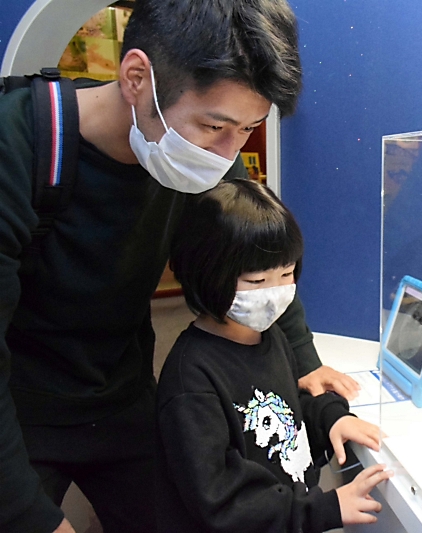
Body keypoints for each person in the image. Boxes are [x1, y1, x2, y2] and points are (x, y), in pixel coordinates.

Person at [0, 1, 357, 532]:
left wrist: (305, 362)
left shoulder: (204, 156)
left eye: (248, 128)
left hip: (122, 394)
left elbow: (257, 254)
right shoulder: (19, 146)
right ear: (137, 78)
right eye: (214, 125)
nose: (227, 154)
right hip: (20, 404)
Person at [158, 179, 390, 532]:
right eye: (256, 282)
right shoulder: (191, 379)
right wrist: (323, 509)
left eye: (286, 274)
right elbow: (219, 501)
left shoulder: (271, 337)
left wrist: (331, 418)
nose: (275, 292)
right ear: (208, 274)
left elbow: (289, 408)